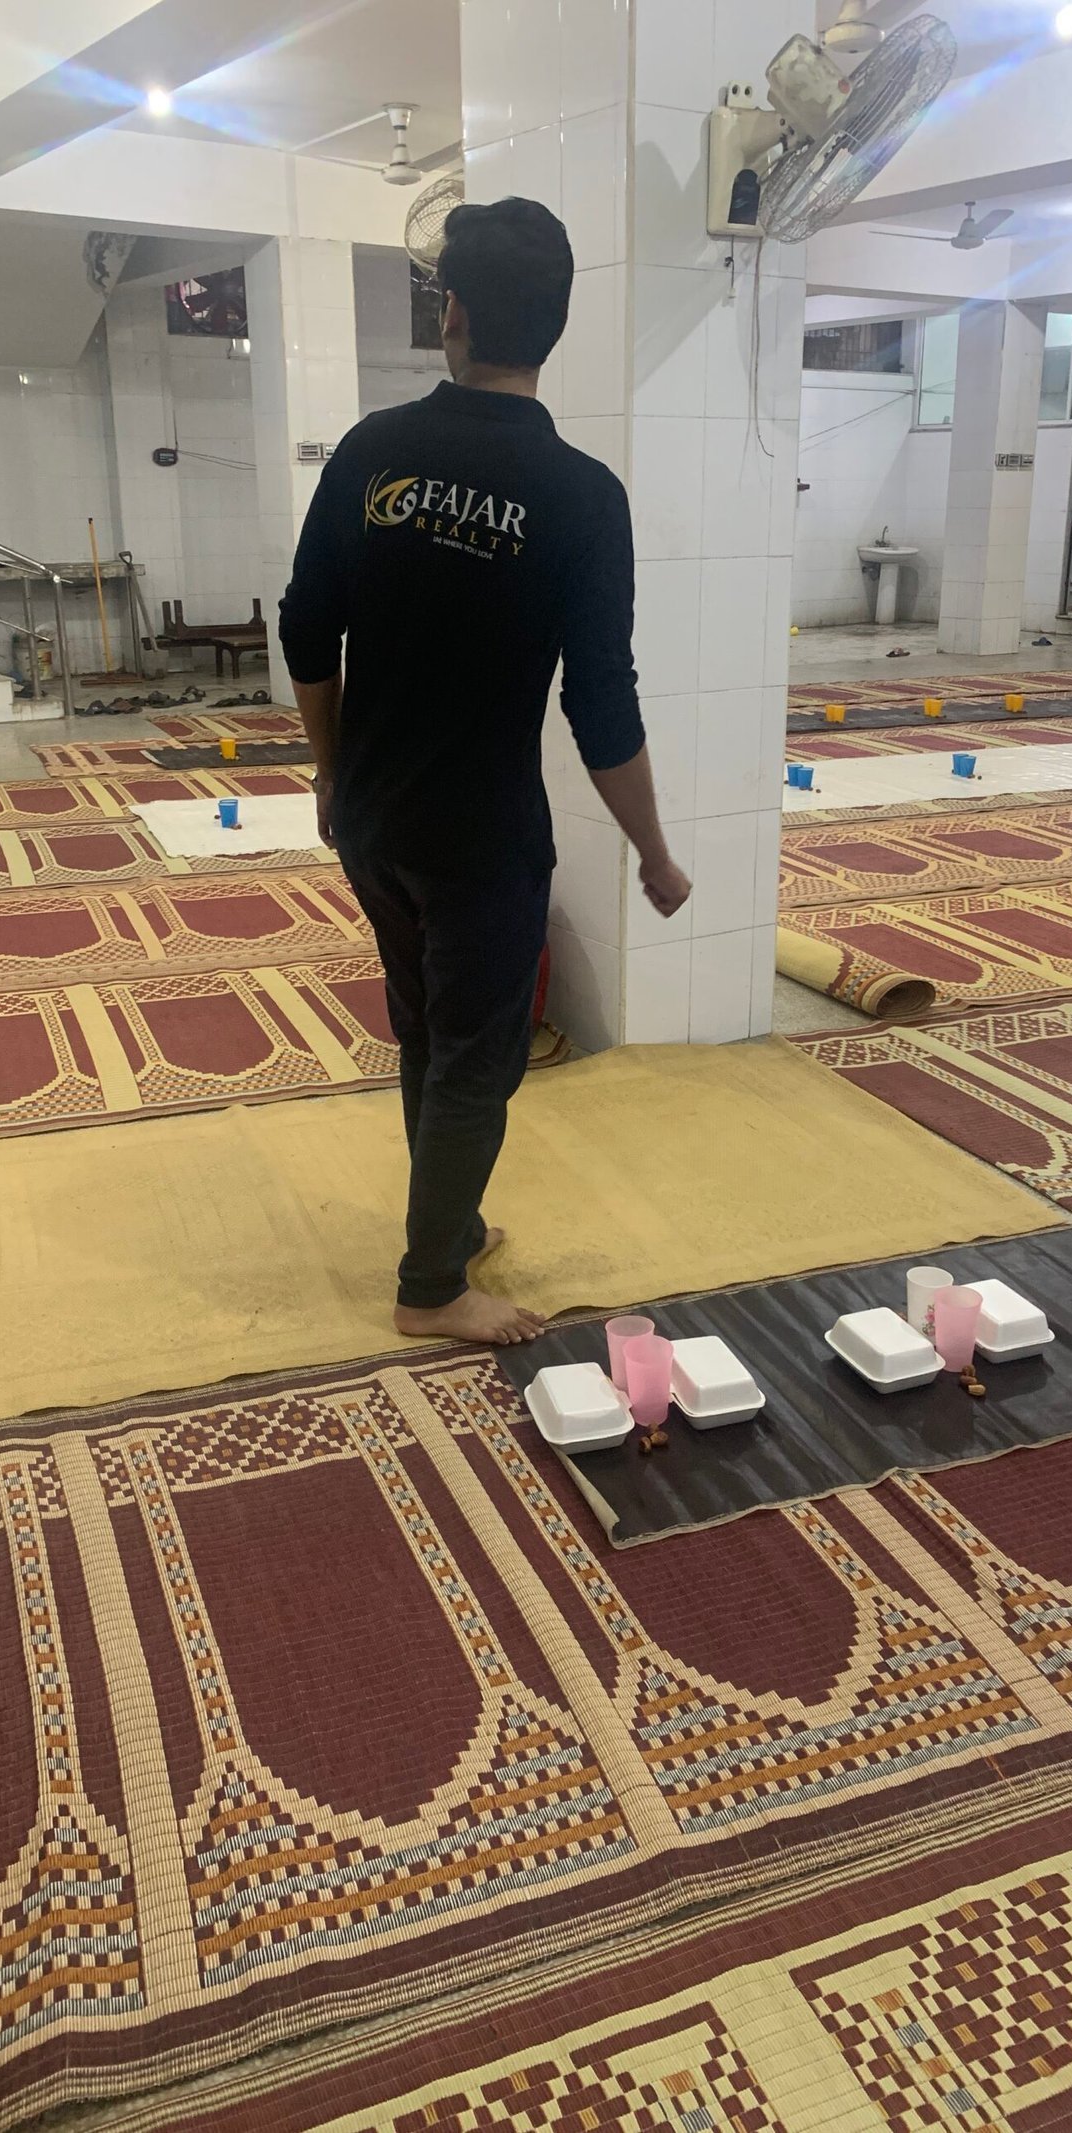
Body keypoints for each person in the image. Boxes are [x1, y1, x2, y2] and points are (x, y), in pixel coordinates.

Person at [280, 197, 691, 1348]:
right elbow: (600, 703)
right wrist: (653, 853)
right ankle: (431, 1289)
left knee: (428, 1032)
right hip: (483, 837)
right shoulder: (581, 495)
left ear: (451, 312)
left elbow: (306, 627)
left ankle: (450, 1229)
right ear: (553, 325)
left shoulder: (371, 452)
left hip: (374, 819)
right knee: (477, 1054)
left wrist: (330, 771)